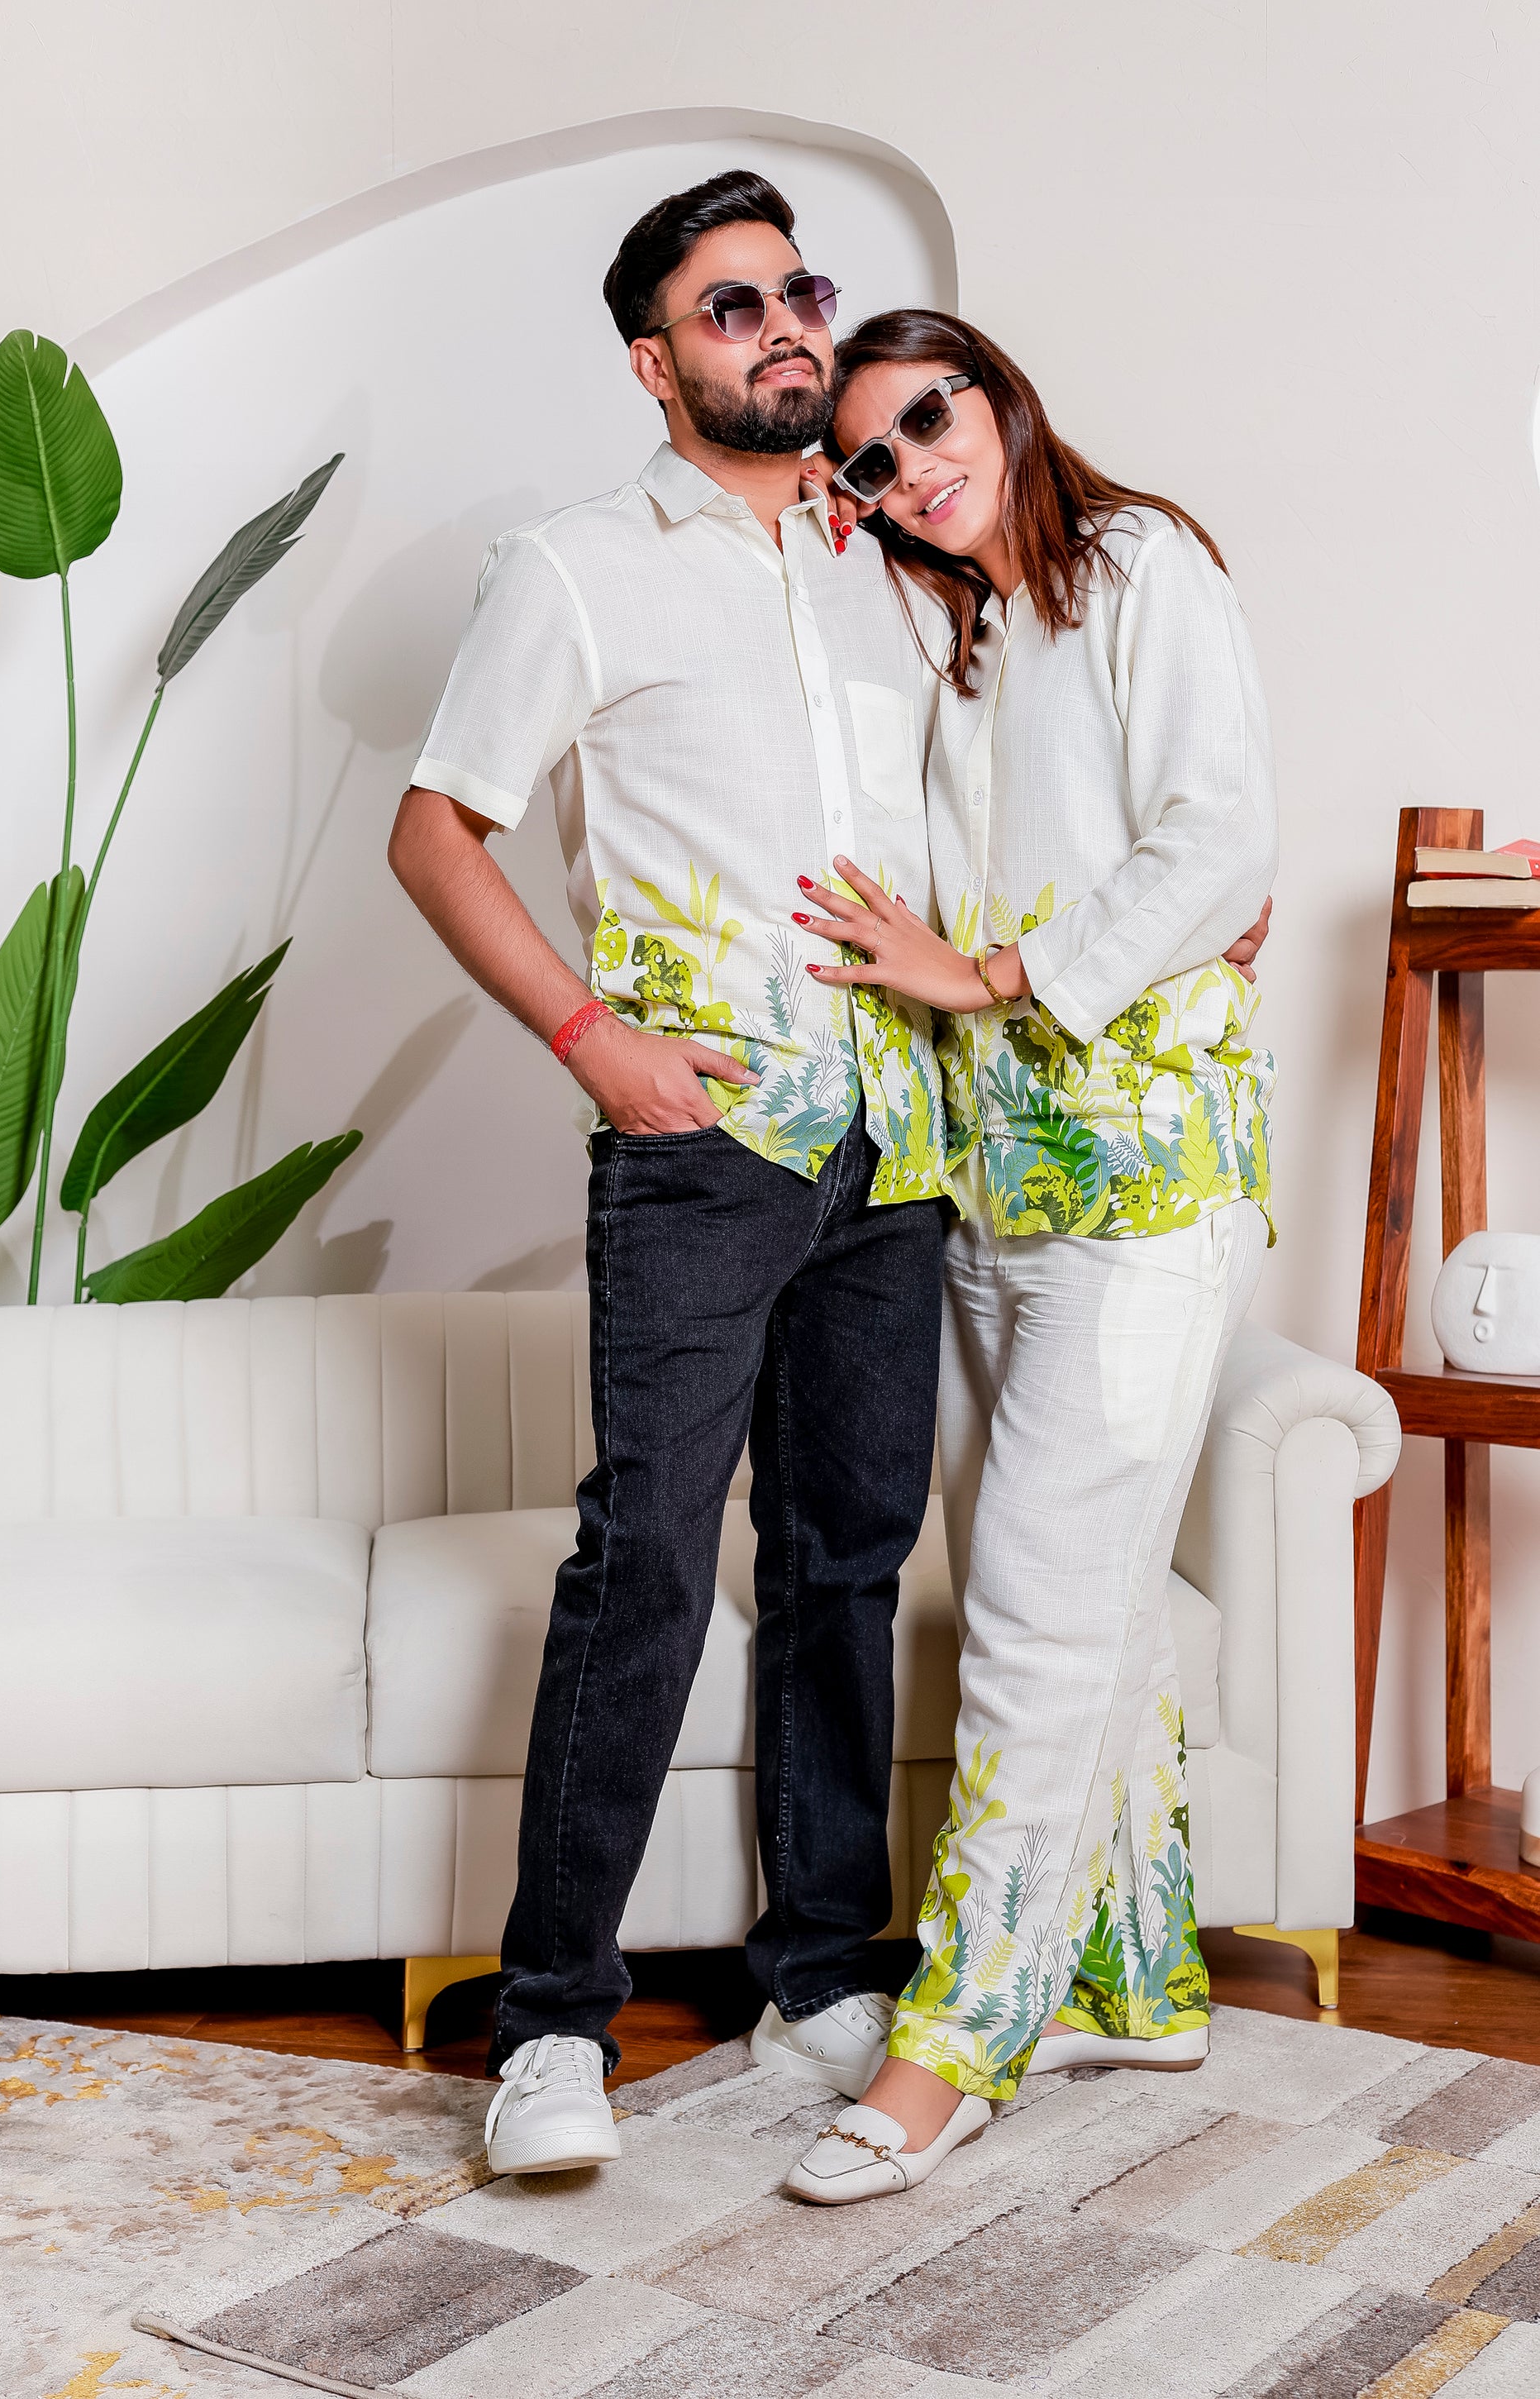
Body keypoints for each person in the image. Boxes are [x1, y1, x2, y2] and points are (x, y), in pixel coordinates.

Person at [389, 173, 959, 2177]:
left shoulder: (895, 563)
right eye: (734, 308)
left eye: (801, 291)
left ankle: (819, 1968)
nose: (787, 327)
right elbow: (438, 828)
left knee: (842, 1556)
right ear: (657, 360)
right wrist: (589, 1039)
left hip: (900, 1134)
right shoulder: (571, 567)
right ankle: (553, 2021)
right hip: (703, 1140)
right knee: (645, 1553)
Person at [782, 310, 1278, 2205]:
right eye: (873, 458)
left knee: (1031, 1610)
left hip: (1146, 1177)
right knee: (1094, 1596)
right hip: (998, 1182)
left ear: (994, 393)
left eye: (930, 415)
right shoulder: (951, 642)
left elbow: (1219, 835)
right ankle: (1132, 1975)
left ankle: (950, 2038)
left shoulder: (1140, 566)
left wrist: (993, 971)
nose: (916, 463)